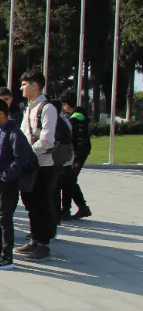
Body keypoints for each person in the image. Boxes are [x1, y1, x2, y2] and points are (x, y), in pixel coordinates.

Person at [0, 99, 34, 270]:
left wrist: (6, 175)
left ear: (2, 114)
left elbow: (22, 159)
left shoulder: (14, 133)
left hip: (5, 182)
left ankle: (7, 255)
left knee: (4, 218)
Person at [18, 70, 58, 261]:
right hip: (28, 164)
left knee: (41, 204)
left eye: (24, 84)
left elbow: (47, 140)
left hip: (42, 165)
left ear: (35, 85)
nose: (21, 88)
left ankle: (43, 244)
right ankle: (34, 239)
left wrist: (28, 154)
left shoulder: (47, 108)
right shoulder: (29, 108)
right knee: (30, 203)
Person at [59, 88, 92, 220]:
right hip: (79, 153)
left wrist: (76, 158)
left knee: (69, 181)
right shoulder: (78, 115)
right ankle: (79, 208)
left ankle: (70, 209)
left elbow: (79, 139)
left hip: (78, 154)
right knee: (70, 181)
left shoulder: (76, 117)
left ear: (66, 104)